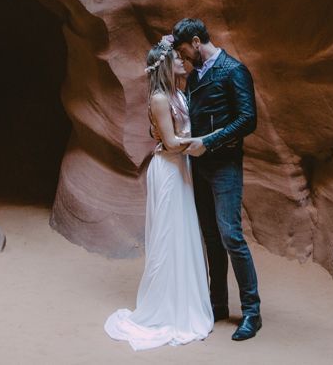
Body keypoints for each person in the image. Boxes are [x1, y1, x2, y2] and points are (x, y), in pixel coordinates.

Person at [104, 38, 213, 350]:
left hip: (181, 169)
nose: (182, 60)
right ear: (165, 65)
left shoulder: (178, 93)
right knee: (168, 236)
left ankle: (185, 303)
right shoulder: (160, 98)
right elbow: (171, 142)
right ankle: (165, 309)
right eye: (176, 58)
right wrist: (208, 139)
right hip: (168, 170)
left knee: (184, 234)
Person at [172, 18, 262, 341]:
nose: (183, 59)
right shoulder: (194, 77)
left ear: (197, 42)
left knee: (230, 235)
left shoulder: (234, 71)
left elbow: (248, 119)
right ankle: (218, 304)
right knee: (210, 237)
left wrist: (209, 141)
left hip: (225, 165)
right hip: (199, 166)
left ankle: (252, 311)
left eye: (184, 51)